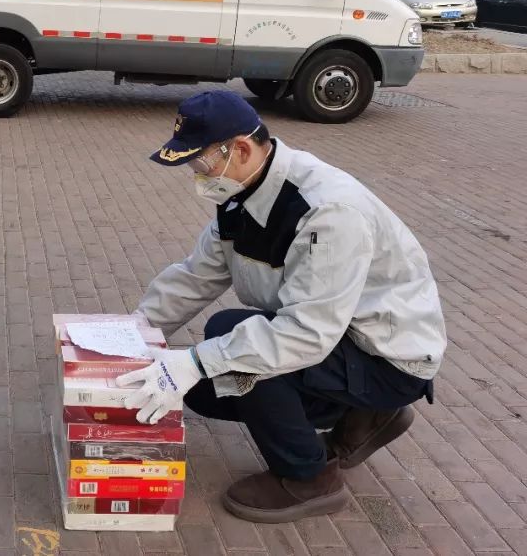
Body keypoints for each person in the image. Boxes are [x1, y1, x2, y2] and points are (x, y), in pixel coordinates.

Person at [120, 91, 446, 523]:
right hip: (341, 336)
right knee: (204, 384)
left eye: (200, 163)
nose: (197, 175)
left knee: (234, 355)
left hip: (386, 356)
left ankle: (309, 477)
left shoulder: (327, 210)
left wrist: (195, 361)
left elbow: (307, 333)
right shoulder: (241, 195)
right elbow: (197, 275)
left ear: (239, 148)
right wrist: (133, 332)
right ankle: (360, 414)